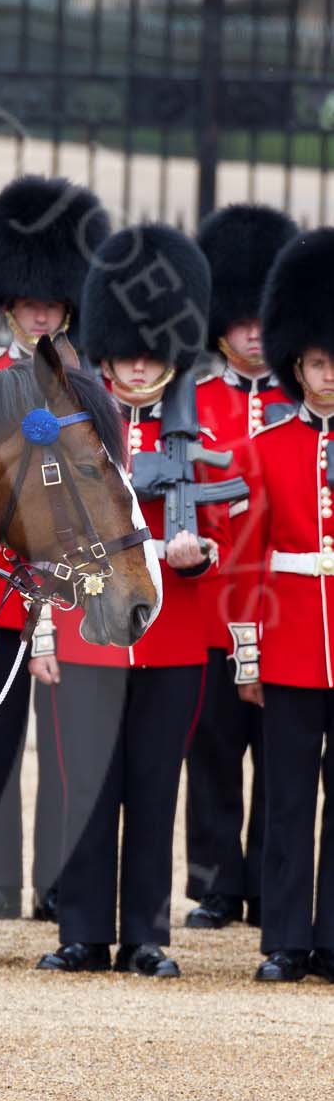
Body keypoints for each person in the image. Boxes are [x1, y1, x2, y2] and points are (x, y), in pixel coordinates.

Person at [34, 224, 216, 979]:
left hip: (172, 641)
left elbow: (233, 534)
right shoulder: (69, 433)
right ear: (103, 353)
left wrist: (198, 559)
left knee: (151, 784)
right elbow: (39, 534)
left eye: (151, 353)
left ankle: (144, 932)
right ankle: (80, 930)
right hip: (85, 634)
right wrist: (42, 627)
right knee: (85, 783)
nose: (138, 365)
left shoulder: (203, 435)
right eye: (126, 352)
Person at [0, 174, 109, 924]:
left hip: (70, 590)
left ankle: (55, 879)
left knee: (61, 751)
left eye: (50, 305)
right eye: (28, 305)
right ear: (9, 307)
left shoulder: (86, 387)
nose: (39, 314)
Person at [183, 204, 298, 933]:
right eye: (239, 318)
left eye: (264, 317)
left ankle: (270, 882)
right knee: (214, 749)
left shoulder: (302, 409)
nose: (253, 331)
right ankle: (217, 881)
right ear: (218, 325)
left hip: (284, 606)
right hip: (208, 605)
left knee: (282, 759)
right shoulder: (188, 405)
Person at [230, 229, 334, 981]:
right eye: (319, 363)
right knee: (287, 801)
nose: (329, 377)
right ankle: (284, 939)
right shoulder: (263, 448)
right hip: (291, 645)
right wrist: (247, 655)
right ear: (297, 365)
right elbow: (243, 564)